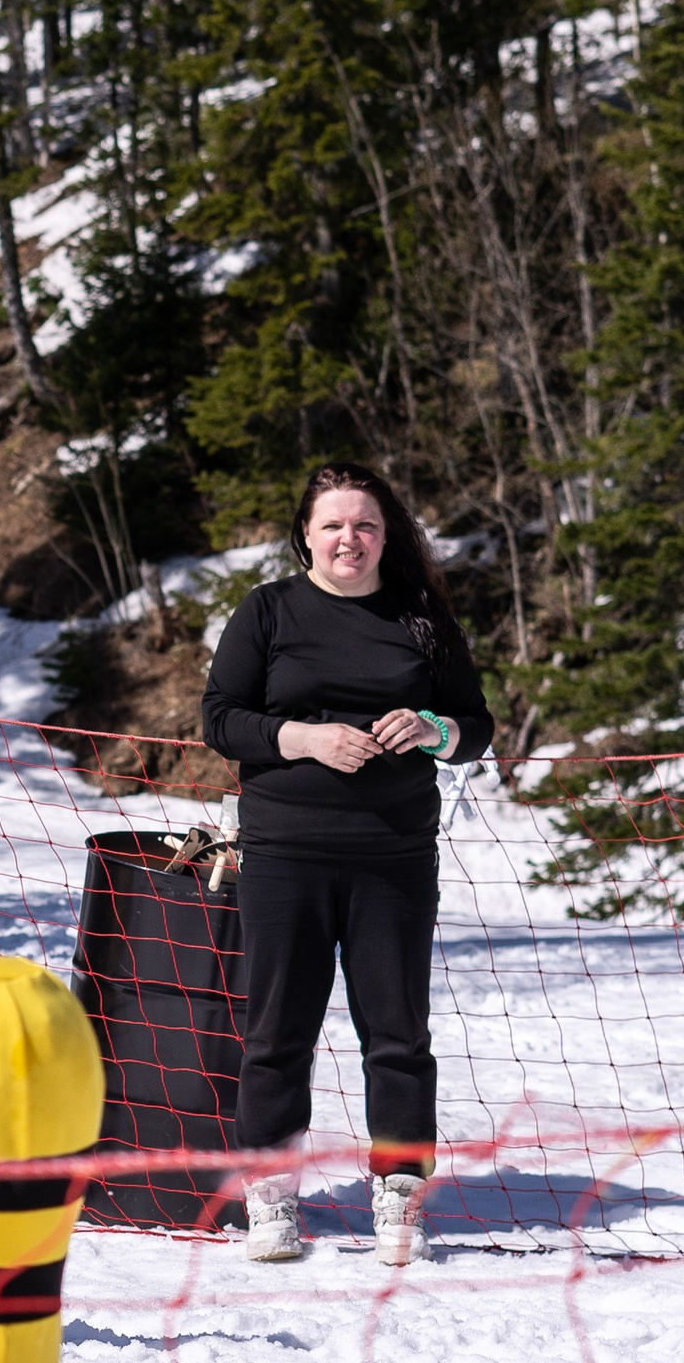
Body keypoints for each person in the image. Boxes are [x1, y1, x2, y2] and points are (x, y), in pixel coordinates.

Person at [201, 464, 493, 1266]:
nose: (348, 539)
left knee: (398, 1036)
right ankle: (271, 1194)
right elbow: (221, 719)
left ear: (385, 534)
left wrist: (433, 729)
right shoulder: (268, 611)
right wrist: (305, 738)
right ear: (306, 533)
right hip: (285, 853)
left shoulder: (421, 619)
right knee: (277, 1033)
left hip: (393, 857)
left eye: (364, 524)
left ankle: (399, 1194)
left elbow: (475, 726)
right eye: (332, 524)